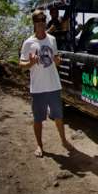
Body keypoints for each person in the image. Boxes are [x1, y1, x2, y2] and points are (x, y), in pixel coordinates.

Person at [19, 9, 74, 157]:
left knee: (58, 116)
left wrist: (57, 61)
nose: (41, 23)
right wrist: (30, 63)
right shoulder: (28, 42)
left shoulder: (52, 39)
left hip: (54, 85)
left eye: (43, 20)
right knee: (38, 119)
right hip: (38, 88)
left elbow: (55, 59)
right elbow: (21, 65)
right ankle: (39, 145)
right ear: (34, 23)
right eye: (38, 20)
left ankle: (63, 140)